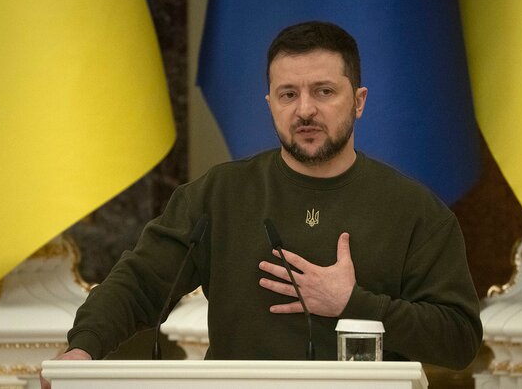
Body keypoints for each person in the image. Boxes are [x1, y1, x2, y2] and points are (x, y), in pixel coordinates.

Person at [41, 21, 482, 388]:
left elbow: (459, 339)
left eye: (324, 91)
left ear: (359, 102)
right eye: (288, 94)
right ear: (270, 104)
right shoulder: (219, 194)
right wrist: (83, 348)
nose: (305, 110)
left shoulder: (415, 211)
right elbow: (139, 283)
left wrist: (353, 303)